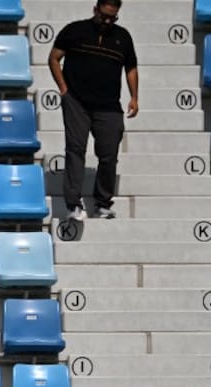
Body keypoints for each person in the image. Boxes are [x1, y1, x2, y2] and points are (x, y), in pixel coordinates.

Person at [48, 0, 139, 221]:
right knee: (75, 150)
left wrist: (135, 97)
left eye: (112, 18)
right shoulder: (75, 30)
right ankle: (73, 204)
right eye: (104, 16)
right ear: (95, 10)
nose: (107, 21)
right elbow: (54, 58)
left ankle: (103, 203)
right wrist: (63, 89)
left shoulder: (123, 37)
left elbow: (131, 68)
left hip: (109, 106)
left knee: (109, 155)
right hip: (77, 102)